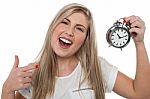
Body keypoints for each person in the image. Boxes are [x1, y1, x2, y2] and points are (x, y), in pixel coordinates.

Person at [1, 3, 150, 99]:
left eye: (79, 29)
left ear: (85, 39)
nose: (69, 32)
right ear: (53, 28)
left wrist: (139, 43)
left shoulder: (96, 68)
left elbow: (142, 95)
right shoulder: (32, 74)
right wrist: (7, 89)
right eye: (65, 22)